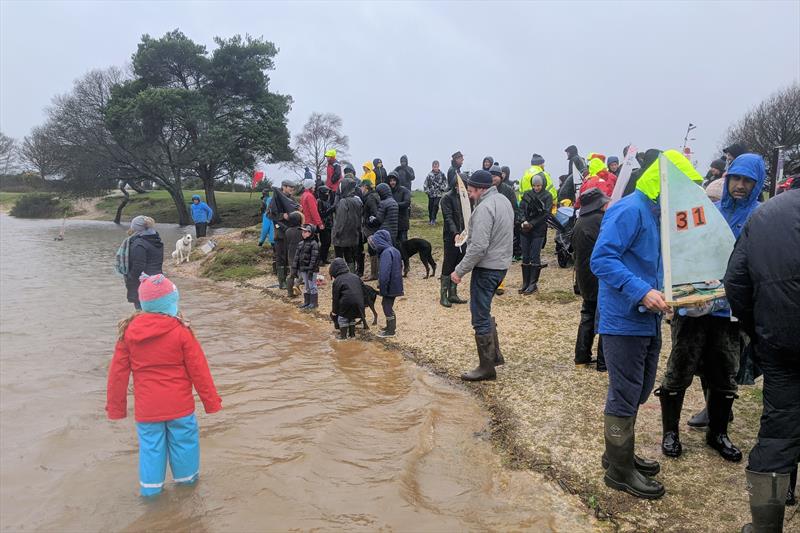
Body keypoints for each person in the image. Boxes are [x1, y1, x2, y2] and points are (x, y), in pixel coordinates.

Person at [655, 153, 766, 465]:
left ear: (757, 185)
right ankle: (670, 432)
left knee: (724, 375)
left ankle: (717, 433)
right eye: (736, 179)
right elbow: (680, 251)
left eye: (748, 181)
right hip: (693, 311)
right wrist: (676, 293)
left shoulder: (761, 217)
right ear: (727, 179)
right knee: (679, 369)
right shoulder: (706, 212)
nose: (740, 186)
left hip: (730, 316)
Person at [590, 150, 670, 500]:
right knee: (625, 392)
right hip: (623, 320)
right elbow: (601, 259)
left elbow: (650, 263)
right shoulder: (629, 209)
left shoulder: (654, 214)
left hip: (649, 319)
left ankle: (618, 453)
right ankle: (619, 472)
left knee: (640, 388)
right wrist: (641, 291)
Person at [725, 186, 800, 533]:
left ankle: (766, 528)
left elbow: (736, 282)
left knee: (778, 433)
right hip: (780, 342)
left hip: (782, 343)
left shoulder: (766, 214)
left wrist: (759, 329)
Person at [106, 274, 221, 497]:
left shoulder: (128, 334)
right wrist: (211, 402)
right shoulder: (181, 332)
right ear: (171, 303)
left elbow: (117, 376)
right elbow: (200, 371)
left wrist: (116, 408)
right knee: (185, 446)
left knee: (150, 450)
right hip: (181, 407)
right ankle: (187, 494)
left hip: (147, 410)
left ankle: (151, 498)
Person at [451, 169, 514, 382]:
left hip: (487, 268)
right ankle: (494, 356)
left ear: (481, 188)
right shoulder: (503, 200)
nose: (469, 195)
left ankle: (486, 368)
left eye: (471, 191)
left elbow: (478, 247)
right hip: (501, 265)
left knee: (479, 314)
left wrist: (459, 271)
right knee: (485, 310)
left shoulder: (485, 208)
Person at [572, 188, 609, 370]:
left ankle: (581, 357)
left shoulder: (580, 221)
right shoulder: (600, 221)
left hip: (584, 276)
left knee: (587, 315)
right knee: (604, 317)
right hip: (599, 277)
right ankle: (604, 362)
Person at [518, 174, 552, 294]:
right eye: (534, 185)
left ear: (542, 184)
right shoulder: (527, 194)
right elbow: (521, 208)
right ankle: (525, 282)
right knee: (525, 255)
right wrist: (523, 221)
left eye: (538, 185)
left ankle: (533, 283)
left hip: (538, 230)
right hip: (525, 229)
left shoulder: (547, 195)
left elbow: (545, 213)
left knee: (535, 255)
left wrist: (532, 223)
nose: (536, 188)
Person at [440, 169, 469, 307]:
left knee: (459, 262)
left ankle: (453, 293)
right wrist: (455, 233)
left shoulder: (466, 197)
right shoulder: (446, 198)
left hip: (464, 236)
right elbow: (448, 217)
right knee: (448, 263)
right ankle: (443, 295)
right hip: (451, 236)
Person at [122, 215, 164, 310]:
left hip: (142, 284)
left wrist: (129, 278)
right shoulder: (156, 240)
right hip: (158, 281)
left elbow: (138, 266)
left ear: (137, 229)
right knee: (155, 313)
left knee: (142, 314)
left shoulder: (139, 244)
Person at [491, 163, 518, 295]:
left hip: (505, 227)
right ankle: (491, 283)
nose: (493, 178)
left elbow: (514, 208)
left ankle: (500, 283)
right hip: (491, 227)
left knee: (502, 257)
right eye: (491, 175)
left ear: (501, 177)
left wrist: (512, 223)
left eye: (495, 176)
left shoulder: (508, 190)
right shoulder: (486, 189)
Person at [267, 180, 300, 289]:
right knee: (281, 257)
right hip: (280, 233)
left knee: (290, 256)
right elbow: (269, 215)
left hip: (292, 232)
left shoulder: (292, 199)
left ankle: (291, 278)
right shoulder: (275, 199)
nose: (292, 189)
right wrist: (282, 216)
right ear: (283, 187)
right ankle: (282, 282)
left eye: (293, 187)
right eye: (290, 187)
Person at [371, 229, 403, 338]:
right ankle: (389, 327)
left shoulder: (385, 253)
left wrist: (382, 288)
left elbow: (384, 274)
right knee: (388, 305)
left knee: (386, 306)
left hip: (389, 285)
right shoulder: (395, 250)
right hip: (397, 284)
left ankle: (391, 331)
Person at [329, 258, 366, 340]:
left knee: (342, 319)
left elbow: (335, 298)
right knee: (351, 316)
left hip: (346, 303)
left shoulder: (337, 280)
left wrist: (334, 311)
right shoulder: (355, 276)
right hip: (359, 303)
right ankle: (352, 335)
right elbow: (363, 290)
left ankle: (343, 337)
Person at [332, 177, 363, 273]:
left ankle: (340, 274)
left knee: (339, 257)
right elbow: (360, 218)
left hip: (342, 235)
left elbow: (340, 220)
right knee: (350, 256)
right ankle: (352, 274)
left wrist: (335, 233)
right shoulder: (358, 201)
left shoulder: (343, 202)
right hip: (353, 234)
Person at [387, 171, 412, 275]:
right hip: (392, 223)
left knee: (403, 245)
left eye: (394, 180)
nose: (392, 182)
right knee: (393, 245)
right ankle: (397, 265)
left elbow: (407, 202)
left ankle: (406, 265)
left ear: (397, 181)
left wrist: (394, 204)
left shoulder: (404, 190)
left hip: (402, 222)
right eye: (390, 180)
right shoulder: (388, 192)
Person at [294, 224, 320, 310]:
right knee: (306, 286)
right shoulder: (300, 243)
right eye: (302, 231)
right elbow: (296, 257)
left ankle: (314, 303)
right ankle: (307, 302)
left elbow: (314, 259)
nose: (303, 233)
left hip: (312, 270)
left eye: (305, 232)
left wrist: (311, 269)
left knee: (312, 286)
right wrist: (294, 268)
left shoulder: (314, 244)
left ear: (310, 233)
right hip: (303, 269)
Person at [360, 179, 381, 281]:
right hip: (372, 228)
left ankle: (374, 274)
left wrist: (368, 222)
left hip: (372, 229)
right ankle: (375, 272)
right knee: (372, 249)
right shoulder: (371, 196)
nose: (361, 189)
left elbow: (375, 214)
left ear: (366, 187)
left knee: (372, 250)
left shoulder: (370, 198)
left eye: (362, 187)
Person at [284, 211, 304, 299]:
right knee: (303, 272)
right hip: (301, 253)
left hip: (291, 254)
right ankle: (297, 284)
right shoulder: (301, 230)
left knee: (292, 273)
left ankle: (289, 293)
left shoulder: (287, 231)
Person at [423, 160, 448, 225]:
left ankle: (433, 219)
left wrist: (442, 188)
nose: (435, 167)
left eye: (436, 166)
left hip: (438, 194)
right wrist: (427, 191)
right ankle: (430, 219)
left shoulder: (442, 174)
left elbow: (445, 182)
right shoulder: (429, 175)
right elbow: (425, 184)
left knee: (435, 205)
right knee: (430, 206)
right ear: (432, 166)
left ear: (438, 166)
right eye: (434, 166)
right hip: (431, 194)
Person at [316, 186, 335, 265]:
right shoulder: (319, 201)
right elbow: (321, 214)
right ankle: (320, 259)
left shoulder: (327, 200)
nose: (327, 194)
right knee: (324, 242)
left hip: (329, 224)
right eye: (326, 192)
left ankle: (324, 258)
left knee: (328, 242)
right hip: (323, 225)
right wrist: (330, 210)